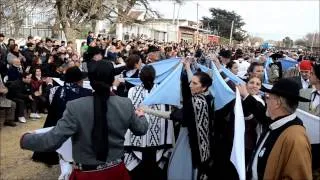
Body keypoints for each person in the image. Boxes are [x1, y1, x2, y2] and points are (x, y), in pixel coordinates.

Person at [20, 60, 149, 180]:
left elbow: (53, 140)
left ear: (90, 81)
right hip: (117, 172)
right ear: (112, 80)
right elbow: (141, 129)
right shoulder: (125, 104)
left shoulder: (76, 107)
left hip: (87, 174)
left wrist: (25, 139)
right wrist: (141, 116)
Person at [142, 60, 214, 180]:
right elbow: (195, 81)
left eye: (194, 84)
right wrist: (188, 67)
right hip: (203, 144)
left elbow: (172, 115)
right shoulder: (208, 96)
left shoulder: (195, 102)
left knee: (180, 170)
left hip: (188, 141)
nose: (190, 85)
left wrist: (148, 110)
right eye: (191, 83)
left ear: (203, 87)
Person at [247, 78, 312, 180]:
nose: (266, 101)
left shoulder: (296, 138)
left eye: (268, 97)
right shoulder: (276, 125)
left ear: (277, 102)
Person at [124, 65, 173, 180]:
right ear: (155, 77)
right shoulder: (162, 91)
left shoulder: (161, 92)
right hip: (148, 140)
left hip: (148, 138)